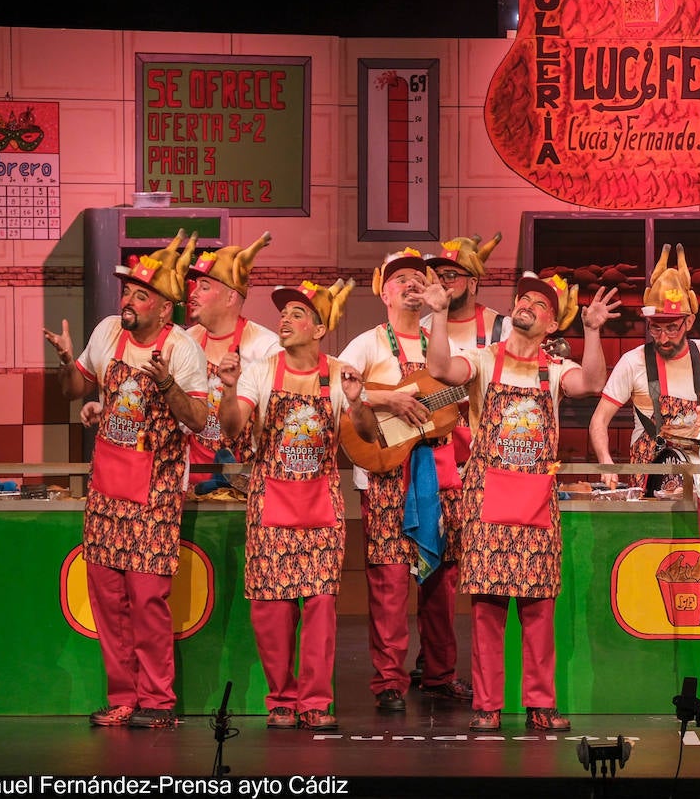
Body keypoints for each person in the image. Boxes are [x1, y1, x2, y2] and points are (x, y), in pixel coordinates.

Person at [420, 270, 619, 733]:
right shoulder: (485, 359)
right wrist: (439, 313)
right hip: (488, 500)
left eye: (540, 303)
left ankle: (540, 704)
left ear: (552, 324)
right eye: (522, 298)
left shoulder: (555, 368)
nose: (526, 304)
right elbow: (440, 371)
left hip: (535, 504)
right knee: (488, 612)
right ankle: (487, 705)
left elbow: (591, 382)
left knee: (538, 611)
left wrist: (591, 331)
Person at [42, 229, 209, 729]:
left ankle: (158, 703)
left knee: (147, 600)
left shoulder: (180, 349)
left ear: (165, 308)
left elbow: (200, 421)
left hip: (155, 492)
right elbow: (77, 390)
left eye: (141, 294)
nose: (128, 301)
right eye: (128, 291)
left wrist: (166, 384)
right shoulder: (109, 331)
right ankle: (123, 698)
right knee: (108, 598)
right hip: (107, 486)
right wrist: (67, 360)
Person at [216, 277, 375, 732]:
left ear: (320, 328)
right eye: (283, 314)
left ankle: (315, 701)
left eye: (297, 314)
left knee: (322, 605)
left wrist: (359, 401)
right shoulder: (261, 371)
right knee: (272, 608)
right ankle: (281, 698)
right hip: (271, 503)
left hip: (321, 506)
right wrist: (228, 390)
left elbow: (364, 433)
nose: (284, 319)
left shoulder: (340, 371)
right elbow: (231, 429)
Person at [337, 247, 440, 713]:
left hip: (438, 473)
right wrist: (390, 401)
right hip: (383, 475)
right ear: (383, 291)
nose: (411, 284)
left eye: (418, 278)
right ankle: (389, 682)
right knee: (389, 581)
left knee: (440, 581)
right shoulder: (367, 343)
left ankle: (439, 674)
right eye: (400, 279)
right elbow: (340, 392)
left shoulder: (439, 340)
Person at [413, 233, 508, 698]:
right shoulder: (425, 328)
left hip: (490, 467)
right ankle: (437, 667)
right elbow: (422, 390)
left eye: (453, 275)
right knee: (436, 573)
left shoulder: (501, 329)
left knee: (495, 575)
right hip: (438, 463)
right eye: (439, 274)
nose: (445, 282)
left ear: (474, 281)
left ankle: (496, 680)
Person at [588, 243, 700, 502]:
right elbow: (598, 421)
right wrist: (606, 463)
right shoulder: (633, 362)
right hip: (650, 480)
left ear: (690, 321)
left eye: (672, 328)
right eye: (655, 328)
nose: (663, 339)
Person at [184, 232, 281, 493]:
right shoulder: (184, 342)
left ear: (230, 298)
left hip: (245, 483)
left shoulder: (266, 347)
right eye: (195, 286)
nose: (194, 294)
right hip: (190, 480)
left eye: (204, 287)